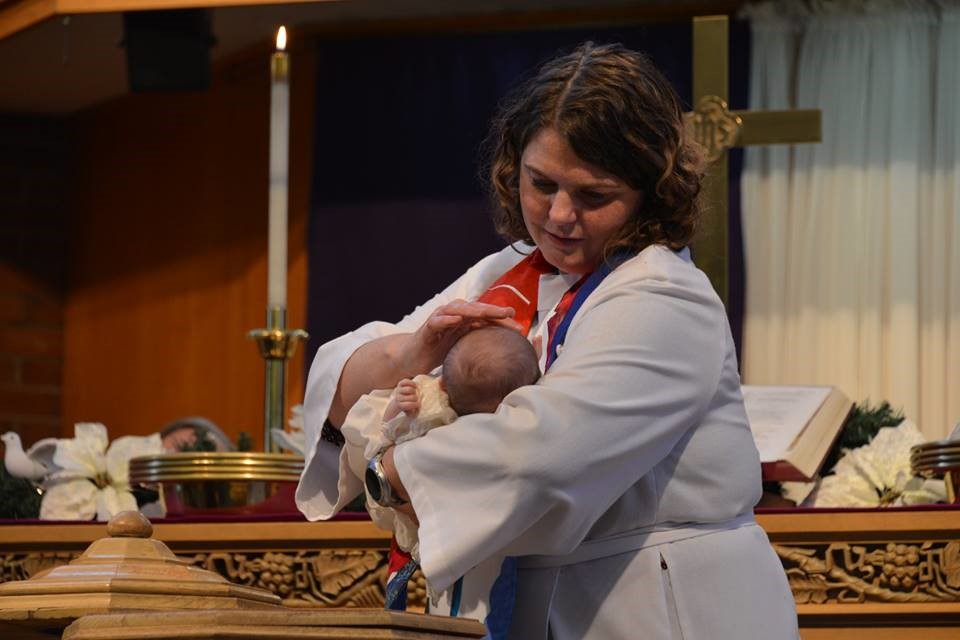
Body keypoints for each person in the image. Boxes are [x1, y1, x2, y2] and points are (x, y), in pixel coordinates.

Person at [296, 41, 799, 639]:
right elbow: (341, 372)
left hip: (657, 606)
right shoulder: (503, 275)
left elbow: (541, 453)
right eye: (542, 184)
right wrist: (412, 354)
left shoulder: (665, 295)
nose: (560, 215)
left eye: (593, 195)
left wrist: (390, 472)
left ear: (651, 190)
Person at [356, 325, 541, 563]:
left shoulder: (433, 413)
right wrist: (400, 406)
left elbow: (388, 432)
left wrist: (398, 405)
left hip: (424, 508)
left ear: (441, 384)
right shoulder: (499, 430)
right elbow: (392, 434)